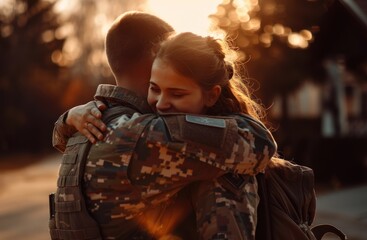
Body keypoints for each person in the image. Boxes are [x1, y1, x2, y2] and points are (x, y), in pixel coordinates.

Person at [51, 11, 277, 240]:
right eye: (167, 49)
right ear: (155, 58)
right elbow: (259, 143)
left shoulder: (86, 124)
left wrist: (65, 120)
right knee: (224, 168)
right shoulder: (143, 133)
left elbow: (60, 138)